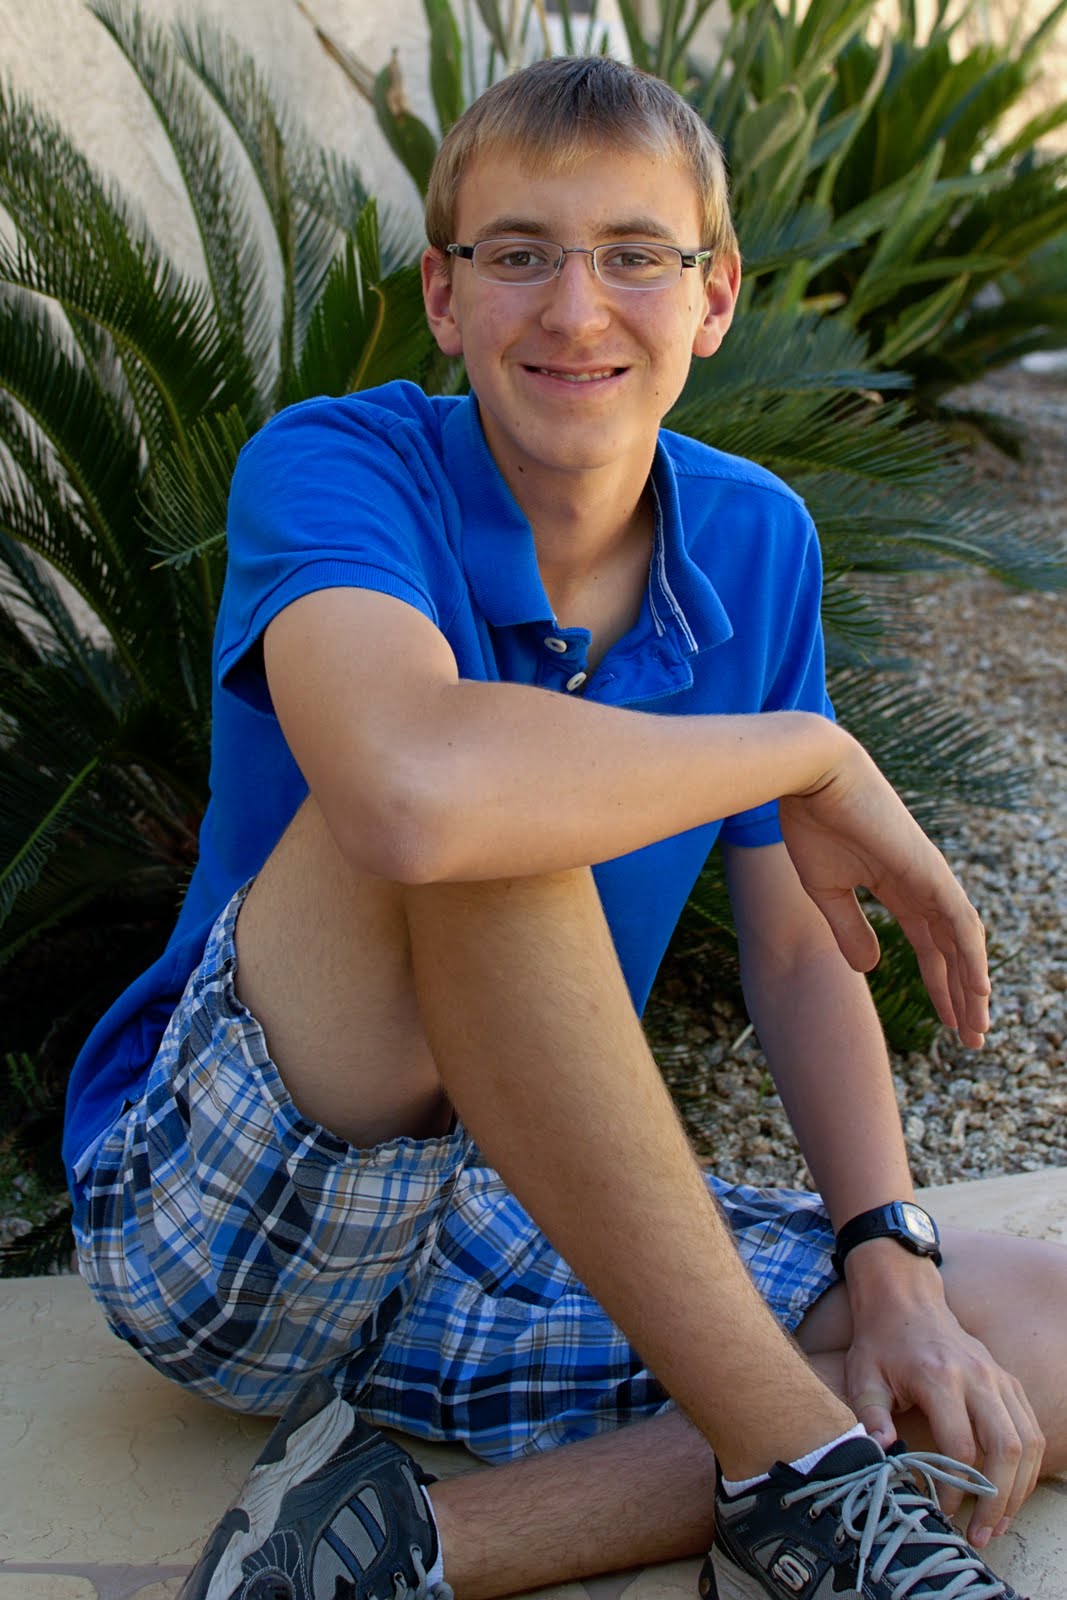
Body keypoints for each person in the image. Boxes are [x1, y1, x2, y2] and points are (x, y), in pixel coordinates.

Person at [64, 53, 1066, 1600]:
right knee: (485, 803)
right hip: (231, 1208)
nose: (577, 310)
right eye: (520, 254)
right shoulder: (336, 465)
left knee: (1010, 1344)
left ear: (715, 297)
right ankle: (808, 1484)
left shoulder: (755, 536)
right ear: (445, 295)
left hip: (517, 1211)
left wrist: (889, 1257)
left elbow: (801, 954)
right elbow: (412, 792)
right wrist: (806, 749)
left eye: (635, 257)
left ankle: (385, 1555)